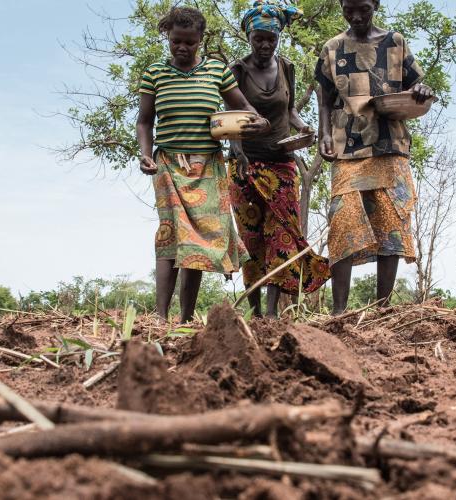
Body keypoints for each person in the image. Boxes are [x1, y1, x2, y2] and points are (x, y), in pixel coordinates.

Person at [136, 6, 269, 322]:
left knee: (197, 243)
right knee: (170, 235)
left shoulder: (216, 71)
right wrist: (144, 153)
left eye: (189, 43)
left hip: (208, 166)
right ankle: (159, 316)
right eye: (176, 42)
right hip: (167, 164)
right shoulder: (154, 74)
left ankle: (183, 318)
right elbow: (144, 122)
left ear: (200, 40)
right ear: (168, 37)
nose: (182, 48)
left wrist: (259, 122)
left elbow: (244, 109)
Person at [315, 0, 434, 314]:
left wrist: (421, 90)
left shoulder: (394, 42)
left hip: (390, 143)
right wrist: (323, 133)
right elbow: (325, 99)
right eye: (349, 9)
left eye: (364, 9)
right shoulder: (331, 48)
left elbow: (416, 86)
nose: (356, 16)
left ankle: (382, 309)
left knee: (390, 223)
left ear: (376, 5)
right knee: (342, 222)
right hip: (347, 146)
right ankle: (338, 312)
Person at [229, 0, 331, 318]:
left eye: (270, 39)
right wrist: (238, 150)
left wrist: (304, 127)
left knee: (282, 235)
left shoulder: (286, 67)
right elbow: (230, 116)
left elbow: (289, 110)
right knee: (252, 240)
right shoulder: (236, 70)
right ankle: (256, 312)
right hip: (246, 166)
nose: (265, 44)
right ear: (248, 35)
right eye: (259, 38)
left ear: (278, 38)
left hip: (282, 165)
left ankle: (272, 313)